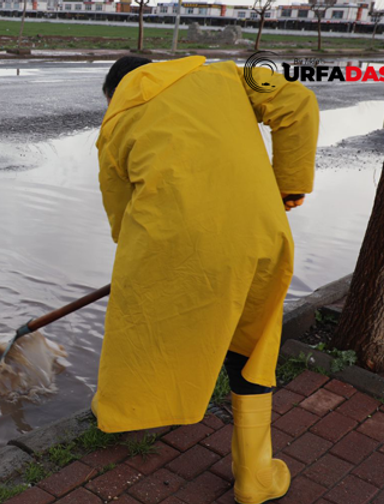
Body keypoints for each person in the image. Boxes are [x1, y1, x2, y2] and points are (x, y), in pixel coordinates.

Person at [92, 56, 317, 504]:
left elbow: (121, 220)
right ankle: (254, 475)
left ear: (115, 92)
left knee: (142, 325)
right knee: (254, 344)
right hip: (258, 231)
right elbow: (299, 102)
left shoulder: (113, 127)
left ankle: (122, 409)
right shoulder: (226, 73)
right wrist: (288, 184)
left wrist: (138, 264)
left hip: (178, 249)